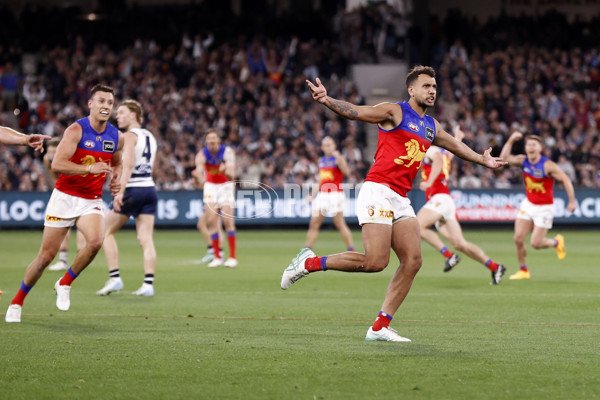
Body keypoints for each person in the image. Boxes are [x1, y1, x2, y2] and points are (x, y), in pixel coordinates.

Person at [280, 66, 506, 342]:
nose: (432, 91)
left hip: (401, 197)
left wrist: (483, 160)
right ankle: (309, 262)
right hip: (378, 190)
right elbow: (357, 111)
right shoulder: (395, 112)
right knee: (375, 262)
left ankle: (379, 327)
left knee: (413, 261)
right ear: (411, 90)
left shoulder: (431, 126)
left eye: (434, 87)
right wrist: (328, 100)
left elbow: (456, 147)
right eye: (426, 86)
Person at [5, 84, 123, 323]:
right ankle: (17, 302)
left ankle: (65, 282)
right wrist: (90, 168)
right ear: (90, 104)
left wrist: (115, 178)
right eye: (101, 101)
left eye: (110, 103)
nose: (106, 106)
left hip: (91, 199)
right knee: (45, 258)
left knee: (95, 242)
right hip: (65, 198)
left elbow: (117, 161)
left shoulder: (115, 135)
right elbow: (58, 164)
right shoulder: (76, 130)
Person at [416, 126, 506, 284]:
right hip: (445, 200)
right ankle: (495, 266)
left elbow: (437, 159)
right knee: (460, 243)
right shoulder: (444, 153)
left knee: (417, 226)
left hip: (439, 198)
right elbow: (449, 153)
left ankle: (448, 256)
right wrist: (458, 136)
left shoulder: (431, 150)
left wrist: (429, 181)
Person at [97, 100, 158, 296]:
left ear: (133, 115)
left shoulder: (129, 136)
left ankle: (115, 278)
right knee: (146, 238)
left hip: (133, 189)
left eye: (122, 112)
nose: (117, 116)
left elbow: (128, 164)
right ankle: (148, 285)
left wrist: (120, 192)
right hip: (149, 188)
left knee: (105, 232)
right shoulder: (150, 136)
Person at [499, 131, 577, 280]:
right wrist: (510, 140)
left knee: (536, 243)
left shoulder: (547, 165)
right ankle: (523, 270)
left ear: (540, 148)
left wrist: (572, 200)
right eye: (528, 144)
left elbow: (565, 179)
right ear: (526, 147)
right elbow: (503, 159)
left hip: (544, 208)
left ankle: (556, 241)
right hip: (528, 204)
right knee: (518, 239)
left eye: (534, 144)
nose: (531, 146)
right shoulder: (523, 161)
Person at [194, 129, 238, 268]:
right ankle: (217, 256)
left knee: (227, 220)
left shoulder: (227, 153)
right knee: (211, 221)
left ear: (219, 140)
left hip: (226, 185)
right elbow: (200, 177)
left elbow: (232, 177)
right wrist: (196, 178)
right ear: (206, 141)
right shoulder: (201, 155)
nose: (212, 141)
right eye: (209, 138)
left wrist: (225, 172)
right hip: (211, 186)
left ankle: (232, 257)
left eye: (214, 138)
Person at [304, 136, 355, 252]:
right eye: (325, 145)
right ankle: (306, 251)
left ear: (334, 146)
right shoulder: (321, 160)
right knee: (314, 223)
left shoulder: (338, 158)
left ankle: (351, 250)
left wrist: (340, 160)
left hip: (335, 194)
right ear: (322, 147)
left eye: (329, 145)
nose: (327, 147)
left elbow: (347, 172)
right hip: (322, 195)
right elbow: (320, 180)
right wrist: (311, 194)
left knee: (339, 223)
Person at [43, 138, 86, 271]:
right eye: (50, 152)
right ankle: (62, 260)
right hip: (63, 192)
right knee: (61, 224)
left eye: (54, 152)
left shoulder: (71, 157)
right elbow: (54, 179)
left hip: (80, 192)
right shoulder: (47, 159)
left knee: (81, 227)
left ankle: (81, 258)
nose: (52, 155)